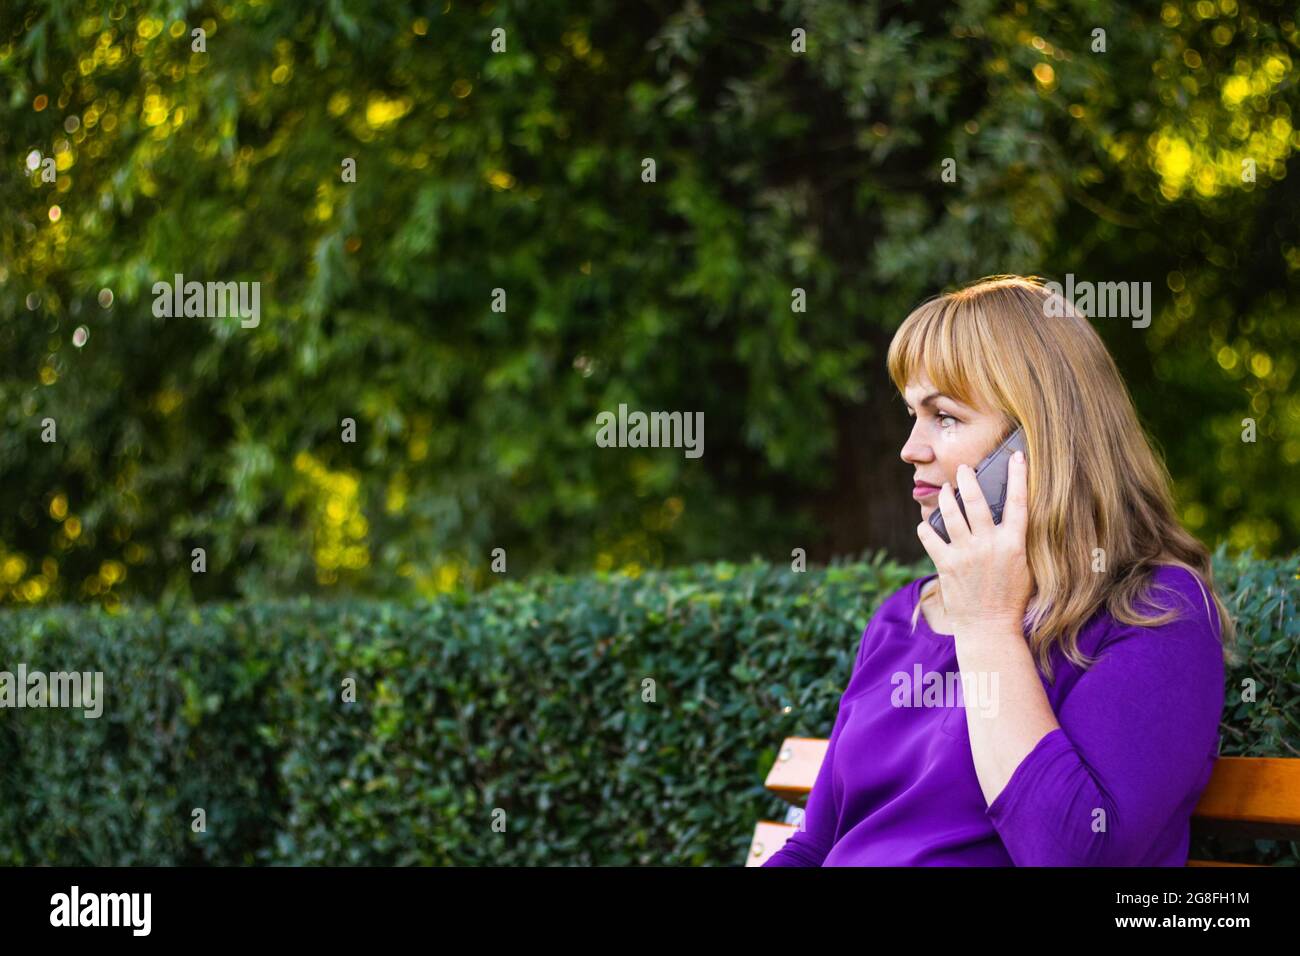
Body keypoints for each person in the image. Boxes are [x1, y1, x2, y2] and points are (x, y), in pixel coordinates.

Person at [763, 275, 1234, 866]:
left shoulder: (1154, 612)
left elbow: (1076, 856)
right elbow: (815, 846)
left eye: (946, 417)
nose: (911, 447)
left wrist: (988, 625)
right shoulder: (901, 617)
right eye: (913, 413)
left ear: (1037, 442)